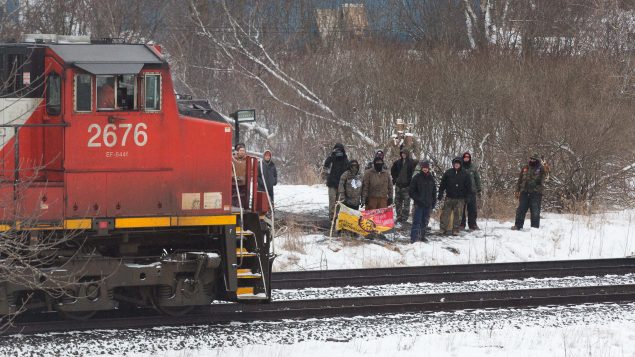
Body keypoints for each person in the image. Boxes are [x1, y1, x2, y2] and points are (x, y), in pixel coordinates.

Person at [438, 157, 472, 235]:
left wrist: (468, 196)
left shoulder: (465, 174)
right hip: (449, 197)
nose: (456, 164)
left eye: (458, 163)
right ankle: (443, 229)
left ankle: (456, 230)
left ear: (460, 164)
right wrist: (440, 193)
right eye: (455, 163)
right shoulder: (448, 172)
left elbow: (469, 187)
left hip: (460, 198)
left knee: (458, 215)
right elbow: (443, 184)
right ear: (453, 164)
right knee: (445, 214)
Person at [512, 153, 546, 230]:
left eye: (534, 159)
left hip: (536, 193)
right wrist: (517, 190)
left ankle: (534, 228)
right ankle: (518, 226)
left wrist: (545, 165)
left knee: (535, 211)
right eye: (531, 159)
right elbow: (519, 180)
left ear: (537, 160)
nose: (532, 160)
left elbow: (547, 175)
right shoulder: (525, 168)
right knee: (521, 209)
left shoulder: (541, 168)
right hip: (524, 192)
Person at [409, 160, 436, 243]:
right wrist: (417, 199)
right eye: (424, 167)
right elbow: (411, 192)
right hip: (419, 204)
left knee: (425, 222)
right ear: (421, 168)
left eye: (426, 168)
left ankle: (422, 236)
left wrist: (433, 202)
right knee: (416, 221)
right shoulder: (416, 177)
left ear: (428, 168)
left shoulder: (431, 178)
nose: (425, 169)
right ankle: (414, 238)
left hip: (428, 205)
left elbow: (434, 192)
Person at [390, 149, 416, 226]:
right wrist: (395, 179)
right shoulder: (397, 162)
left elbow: (415, 172)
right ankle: (399, 217)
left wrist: (410, 182)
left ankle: (404, 218)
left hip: (407, 186)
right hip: (398, 186)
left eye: (405, 153)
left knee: (407, 203)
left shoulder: (412, 162)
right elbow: (392, 171)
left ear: (407, 154)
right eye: (402, 153)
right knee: (397, 202)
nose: (403, 154)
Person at [323, 143, 349, 220]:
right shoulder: (331, 158)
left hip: (341, 184)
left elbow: (347, 170)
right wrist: (327, 178)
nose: (339, 152)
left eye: (340, 150)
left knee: (339, 201)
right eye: (337, 150)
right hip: (332, 183)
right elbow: (325, 167)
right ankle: (332, 217)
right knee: (332, 200)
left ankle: (338, 216)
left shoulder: (345, 159)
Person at [460, 152, 482, 230]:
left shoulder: (473, 167)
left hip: (472, 191)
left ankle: (472, 224)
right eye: (465, 157)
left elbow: (477, 178)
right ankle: (461, 224)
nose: (466, 158)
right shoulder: (460, 166)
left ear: (470, 158)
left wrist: (479, 189)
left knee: (472, 209)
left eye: (468, 157)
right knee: (461, 208)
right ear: (463, 158)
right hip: (462, 191)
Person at [232, 143, 248, 208]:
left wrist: (246, 177)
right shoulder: (233, 159)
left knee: (242, 198)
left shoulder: (247, 160)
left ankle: (241, 207)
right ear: (238, 151)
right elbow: (230, 169)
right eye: (240, 150)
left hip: (243, 183)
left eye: (243, 151)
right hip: (234, 182)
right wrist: (234, 176)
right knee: (234, 198)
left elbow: (251, 170)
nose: (242, 152)